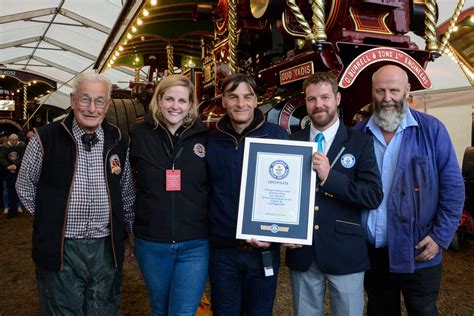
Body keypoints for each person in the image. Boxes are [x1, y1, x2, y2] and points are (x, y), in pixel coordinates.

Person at [16, 72, 135, 315]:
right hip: (62, 247)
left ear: (108, 105)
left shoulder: (118, 140)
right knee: (62, 310)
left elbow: (127, 191)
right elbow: (25, 185)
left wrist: (129, 233)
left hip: (105, 246)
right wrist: (50, 219)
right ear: (72, 101)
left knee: (103, 309)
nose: (92, 108)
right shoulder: (45, 138)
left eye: (99, 101)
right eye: (85, 100)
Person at [355, 64, 465, 315]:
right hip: (374, 254)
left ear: (407, 91)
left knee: (423, 310)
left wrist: (440, 236)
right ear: (372, 92)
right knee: (380, 310)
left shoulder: (432, 130)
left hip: (420, 251)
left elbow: (453, 187)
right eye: (380, 90)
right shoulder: (359, 134)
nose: (387, 98)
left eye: (394, 90)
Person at [285, 71, 383, 315]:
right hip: (302, 251)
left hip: (346, 252)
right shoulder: (291, 143)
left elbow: (372, 196)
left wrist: (330, 177)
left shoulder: (360, 142)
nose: (319, 105)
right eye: (312, 99)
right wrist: (282, 229)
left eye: (325, 97)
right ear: (305, 103)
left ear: (337, 99)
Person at [207, 73, 288, 315]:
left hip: (262, 249)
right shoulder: (211, 139)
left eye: (247, 97)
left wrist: (283, 230)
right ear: (223, 101)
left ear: (256, 100)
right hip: (222, 250)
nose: (240, 103)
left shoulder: (276, 135)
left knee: (260, 312)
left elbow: (287, 190)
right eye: (233, 97)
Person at [130, 75, 209, 315]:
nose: (175, 106)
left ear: (190, 104)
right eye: (170, 99)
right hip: (152, 242)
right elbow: (125, 184)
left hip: (195, 243)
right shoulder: (139, 135)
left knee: (183, 312)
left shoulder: (204, 137)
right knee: (160, 308)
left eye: (182, 101)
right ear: (159, 99)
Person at [0, 133, 25, 218]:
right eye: (12, 140)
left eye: (16, 140)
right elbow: (1, 158)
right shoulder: (4, 147)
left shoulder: (21, 146)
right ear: (9, 140)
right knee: (7, 189)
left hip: (18, 171)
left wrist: (15, 166)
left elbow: (23, 157)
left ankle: (18, 206)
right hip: (7, 171)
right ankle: (7, 207)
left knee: (18, 189)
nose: (14, 142)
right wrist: (8, 166)